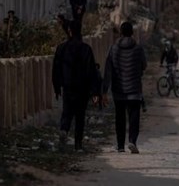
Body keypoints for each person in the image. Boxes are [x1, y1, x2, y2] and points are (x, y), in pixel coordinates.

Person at [53, 20, 100, 151]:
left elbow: (56, 69)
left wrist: (57, 87)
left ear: (69, 31)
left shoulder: (61, 48)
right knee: (80, 115)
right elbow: (91, 71)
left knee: (67, 111)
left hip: (67, 86)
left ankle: (64, 129)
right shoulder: (86, 49)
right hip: (82, 88)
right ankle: (78, 145)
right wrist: (95, 92)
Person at [103, 21, 148, 154]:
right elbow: (144, 65)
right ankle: (132, 141)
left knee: (120, 118)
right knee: (134, 117)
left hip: (119, 90)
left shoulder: (113, 49)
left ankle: (120, 145)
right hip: (134, 89)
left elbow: (108, 71)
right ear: (132, 33)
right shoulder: (138, 48)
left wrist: (104, 91)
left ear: (121, 33)